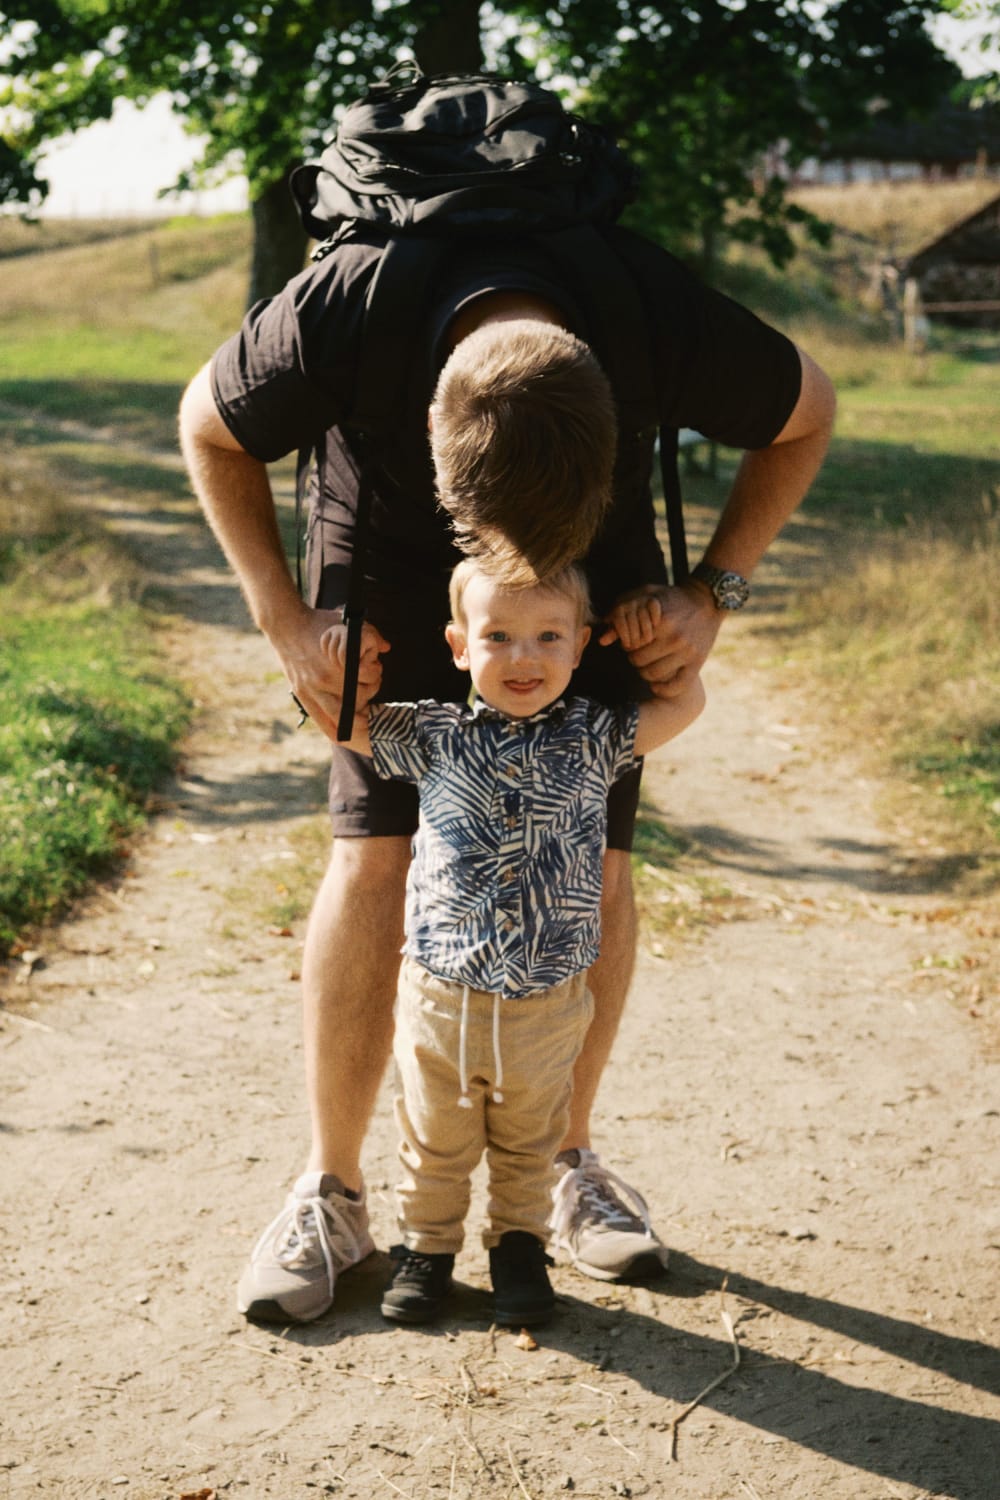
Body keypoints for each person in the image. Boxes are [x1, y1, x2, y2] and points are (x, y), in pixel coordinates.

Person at [178, 208, 835, 1326]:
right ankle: (331, 1190)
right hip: (385, 536)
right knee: (373, 849)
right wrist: (290, 625)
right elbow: (209, 426)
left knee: (598, 855)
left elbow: (807, 412)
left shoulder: (644, 309)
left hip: (599, 552)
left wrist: (709, 591)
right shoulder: (348, 307)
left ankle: (562, 1162)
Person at [322, 557, 704, 1327]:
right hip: (442, 993)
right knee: (433, 1138)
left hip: (550, 996)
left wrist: (655, 633)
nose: (523, 658)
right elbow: (338, 719)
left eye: (547, 637)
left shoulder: (599, 737)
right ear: (460, 646)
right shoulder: (431, 733)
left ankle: (518, 1251)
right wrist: (336, 666)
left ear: (579, 644)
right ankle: (426, 1252)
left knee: (533, 1141)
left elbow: (687, 699)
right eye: (499, 636)